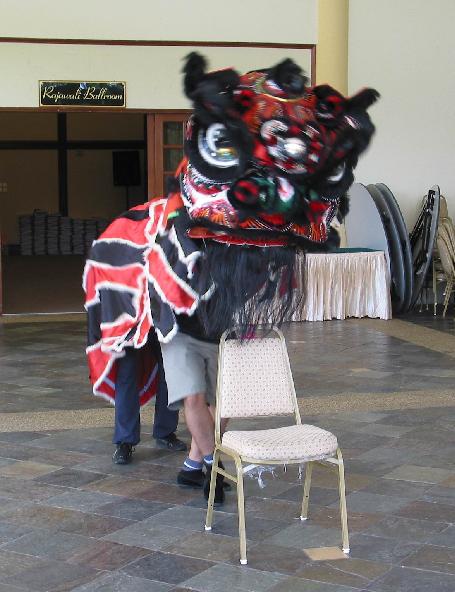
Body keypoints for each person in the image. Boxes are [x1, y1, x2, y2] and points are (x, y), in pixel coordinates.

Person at [161, 312, 227, 503]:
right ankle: (213, 465)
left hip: (221, 327)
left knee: (222, 402)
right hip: (178, 330)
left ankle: (193, 466)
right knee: (192, 395)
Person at [112, 332, 186, 465]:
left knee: (170, 366)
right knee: (126, 371)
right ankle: (125, 440)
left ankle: (165, 431)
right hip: (130, 315)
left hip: (163, 314)